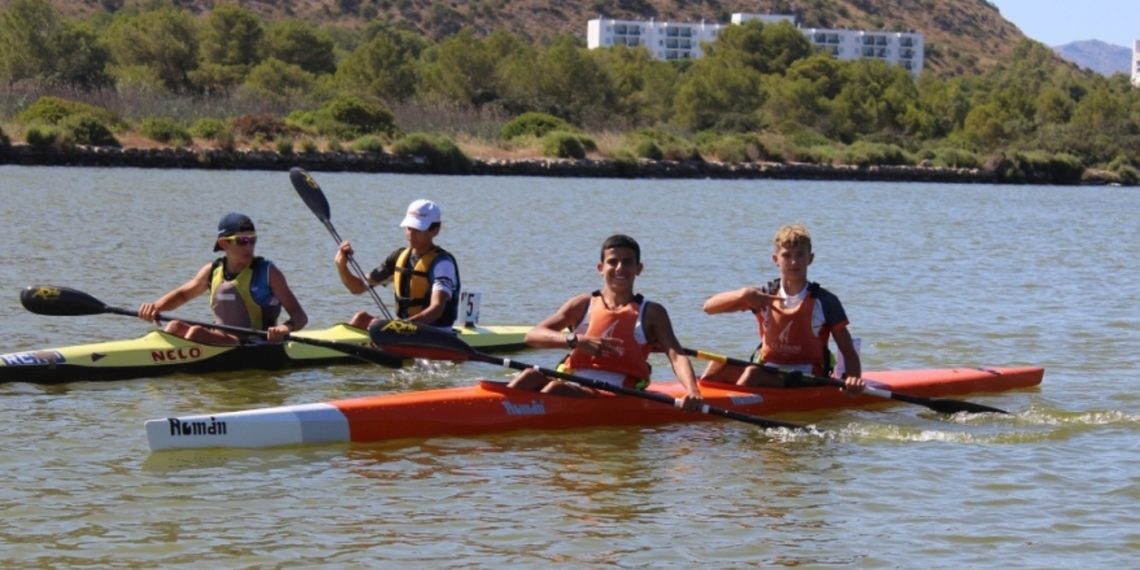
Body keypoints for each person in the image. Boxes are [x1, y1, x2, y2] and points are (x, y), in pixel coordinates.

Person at [507, 234, 703, 412]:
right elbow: (533, 336)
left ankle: (520, 418)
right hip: (570, 380)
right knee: (530, 375)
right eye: (613, 262)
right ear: (600, 268)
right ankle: (496, 417)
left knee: (556, 388)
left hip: (618, 392)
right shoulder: (582, 304)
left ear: (638, 269)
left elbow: (676, 355)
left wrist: (693, 391)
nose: (620, 268)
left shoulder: (652, 312)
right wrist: (576, 340)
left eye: (627, 263)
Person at [701, 223, 864, 392]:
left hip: (808, 376)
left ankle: (736, 410)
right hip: (768, 368)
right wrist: (743, 294)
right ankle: (703, 406)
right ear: (776, 260)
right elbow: (709, 307)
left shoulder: (826, 301)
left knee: (752, 374)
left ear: (810, 258)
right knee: (715, 367)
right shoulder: (762, 295)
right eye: (786, 255)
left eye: (800, 254)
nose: (794, 262)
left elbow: (848, 351)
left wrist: (853, 380)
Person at [138, 212, 308, 344]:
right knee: (174, 326)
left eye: (253, 240)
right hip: (221, 338)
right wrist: (155, 308)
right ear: (223, 243)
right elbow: (182, 295)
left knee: (196, 333)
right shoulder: (212, 270)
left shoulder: (268, 272)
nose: (249, 246)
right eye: (242, 240)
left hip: (254, 344)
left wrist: (285, 328)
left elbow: (300, 316)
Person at [334, 199, 460, 329]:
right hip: (406, 331)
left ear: (435, 230)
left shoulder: (442, 264)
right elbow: (358, 288)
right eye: (409, 228)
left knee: (373, 325)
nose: (411, 234)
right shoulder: (398, 257)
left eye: (418, 229)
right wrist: (341, 266)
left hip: (437, 333)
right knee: (360, 318)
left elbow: (437, 309)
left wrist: (400, 326)